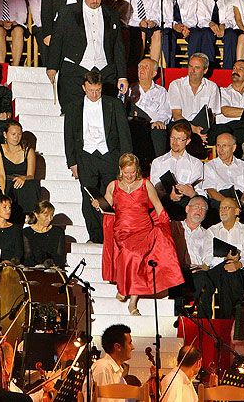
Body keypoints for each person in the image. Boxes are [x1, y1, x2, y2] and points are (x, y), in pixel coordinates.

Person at [94, 153, 183, 315]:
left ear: (138, 171)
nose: (129, 176)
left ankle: (132, 302)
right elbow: (106, 206)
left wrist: (164, 223)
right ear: (120, 170)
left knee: (135, 255)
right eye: (126, 172)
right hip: (122, 231)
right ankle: (124, 288)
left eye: (133, 172)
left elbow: (157, 205)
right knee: (129, 252)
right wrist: (97, 203)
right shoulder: (113, 186)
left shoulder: (145, 184)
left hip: (144, 229)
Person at [64, 70, 132, 243]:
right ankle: (95, 236)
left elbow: (124, 133)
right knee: (89, 197)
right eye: (90, 90)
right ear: (83, 87)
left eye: (98, 90)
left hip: (110, 156)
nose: (94, 94)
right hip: (86, 157)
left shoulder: (114, 104)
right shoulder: (73, 107)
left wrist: (126, 162)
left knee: (111, 195)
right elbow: (69, 136)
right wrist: (72, 162)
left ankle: (110, 233)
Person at [47, 0, 128, 114]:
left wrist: (122, 76)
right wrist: (52, 66)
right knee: (73, 113)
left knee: (106, 114)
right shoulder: (67, 12)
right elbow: (57, 40)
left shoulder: (112, 14)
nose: (95, 0)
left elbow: (118, 46)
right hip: (75, 69)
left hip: (105, 71)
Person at [199, 197, 244, 318]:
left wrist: (238, 264)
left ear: (236, 211)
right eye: (221, 208)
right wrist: (225, 260)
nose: (223, 211)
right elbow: (207, 258)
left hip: (239, 272)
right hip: (215, 271)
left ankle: (226, 319)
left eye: (227, 208)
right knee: (226, 269)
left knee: (227, 275)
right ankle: (241, 302)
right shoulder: (212, 231)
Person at [168, 53, 221, 157]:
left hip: (203, 127)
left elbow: (212, 115)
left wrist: (201, 131)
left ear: (205, 70)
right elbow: (176, 114)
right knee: (180, 126)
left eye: (196, 68)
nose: (192, 70)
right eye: (190, 66)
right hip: (182, 125)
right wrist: (193, 129)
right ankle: (196, 154)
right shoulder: (176, 85)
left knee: (222, 129)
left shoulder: (212, 87)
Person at [150, 123, 205, 220]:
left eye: (180, 139)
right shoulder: (158, 162)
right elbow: (154, 189)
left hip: (186, 202)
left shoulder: (196, 163)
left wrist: (192, 193)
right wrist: (169, 196)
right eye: (173, 138)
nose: (175, 142)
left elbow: (200, 190)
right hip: (164, 202)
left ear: (187, 141)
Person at [202, 133, 244, 224]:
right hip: (220, 199)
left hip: (240, 199)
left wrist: (240, 203)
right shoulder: (209, 166)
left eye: (224, 146)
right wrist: (228, 204)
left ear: (233, 148)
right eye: (218, 145)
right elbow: (211, 191)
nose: (220, 149)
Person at [189, 0, 237, 69]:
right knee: (206, 34)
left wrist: (223, 26)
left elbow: (230, 19)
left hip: (222, 28)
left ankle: (227, 69)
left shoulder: (228, 1)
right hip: (207, 28)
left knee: (231, 35)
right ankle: (209, 67)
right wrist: (210, 24)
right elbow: (200, 19)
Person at [0, 120, 39, 221]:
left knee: (29, 185)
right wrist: (2, 195)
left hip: (23, 182)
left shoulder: (28, 151)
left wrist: (24, 178)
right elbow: (1, 175)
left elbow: (31, 175)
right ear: (5, 134)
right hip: (8, 181)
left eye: (19, 134)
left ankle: (29, 214)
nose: (16, 137)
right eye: (13, 134)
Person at [126, 58, 170, 160]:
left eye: (146, 67)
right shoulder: (130, 89)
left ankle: (159, 168)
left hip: (153, 126)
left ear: (154, 73)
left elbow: (165, 112)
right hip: (135, 126)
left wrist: (160, 121)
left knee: (159, 130)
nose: (141, 69)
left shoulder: (161, 91)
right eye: (140, 67)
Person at [124, 0, 162, 67]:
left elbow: (156, 14)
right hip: (134, 26)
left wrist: (153, 22)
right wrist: (140, 23)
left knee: (157, 33)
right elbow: (126, 17)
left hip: (149, 26)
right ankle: (138, 64)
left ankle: (154, 66)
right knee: (142, 33)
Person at [161, 0, 198, 68]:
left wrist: (183, 27)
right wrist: (174, 25)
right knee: (167, 35)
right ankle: (170, 68)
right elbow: (163, 18)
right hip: (171, 28)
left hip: (186, 28)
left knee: (196, 35)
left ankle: (192, 67)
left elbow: (193, 19)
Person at [22, 200, 65, 269]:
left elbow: (59, 256)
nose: (50, 219)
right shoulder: (27, 232)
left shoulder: (57, 232)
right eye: (46, 215)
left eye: (52, 215)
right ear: (36, 214)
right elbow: (28, 257)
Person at [91, 324, 134, 389]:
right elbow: (101, 398)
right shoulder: (102, 367)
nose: (132, 347)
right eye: (130, 343)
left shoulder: (117, 371)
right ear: (118, 347)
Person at [0, 194, 23, 264]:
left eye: (9, 207)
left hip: (11, 266)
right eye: (4, 207)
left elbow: (19, 251)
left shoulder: (15, 228)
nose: (8, 210)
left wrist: (10, 262)